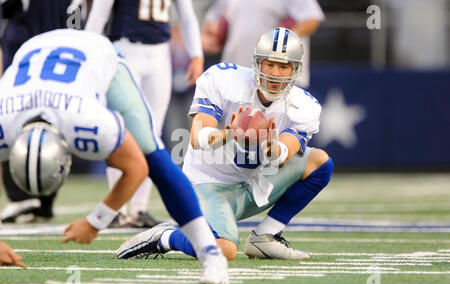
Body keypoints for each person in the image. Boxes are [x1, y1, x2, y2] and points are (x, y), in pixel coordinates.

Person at [0, 29, 228, 284]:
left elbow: (136, 168)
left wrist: (96, 221)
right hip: (33, 51)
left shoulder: (87, 120)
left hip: (96, 54)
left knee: (154, 157)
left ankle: (211, 256)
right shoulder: (3, 120)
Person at [117, 28, 333, 261]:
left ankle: (265, 236)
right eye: (269, 64)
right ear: (256, 63)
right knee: (224, 251)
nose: (274, 73)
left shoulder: (304, 106)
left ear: (295, 70)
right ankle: (165, 237)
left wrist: (270, 145)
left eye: (283, 67)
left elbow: (282, 155)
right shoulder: (225, 80)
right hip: (209, 184)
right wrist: (227, 134)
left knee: (319, 162)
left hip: (255, 184)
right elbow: (197, 137)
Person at [85, 0, 205, 227]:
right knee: (120, 129)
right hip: (124, 51)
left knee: (152, 132)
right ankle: (116, 209)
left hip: (160, 54)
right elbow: (99, 15)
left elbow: (187, 16)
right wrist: (89, 53)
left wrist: (196, 54)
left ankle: (139, 208)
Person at [0, 0, 90, 223]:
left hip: (54, 54)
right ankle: (22, 196)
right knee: (14, 116)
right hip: (28, 52)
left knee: (55, 121)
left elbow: (81, 21)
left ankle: (43, 198)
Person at [201, 0, 324, 88]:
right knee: (236, 123)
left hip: (278, 77)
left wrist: (284, 40)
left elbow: (312, 18)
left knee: (275, 123)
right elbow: (212, 20)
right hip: (238, 74)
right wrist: (207, 37)